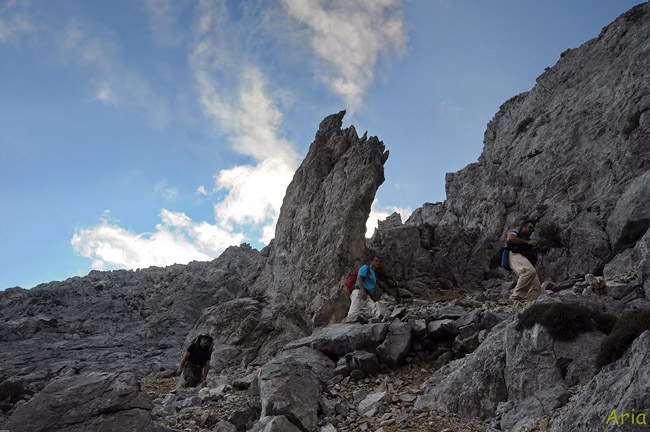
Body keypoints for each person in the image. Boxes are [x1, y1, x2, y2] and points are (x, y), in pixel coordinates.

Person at [505, 219, 542, 301]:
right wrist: (527, 242)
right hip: (514, 254)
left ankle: (530, 302)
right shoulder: (516, 231)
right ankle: (515, 297)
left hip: (523, 258)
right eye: (530, 227)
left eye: (533, 229)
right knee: (529, 271)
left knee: (536, 284)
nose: (532, 230)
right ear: (523, 227)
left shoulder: (527, 239)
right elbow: (510, 238)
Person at [345, 255, 381, 322]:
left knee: (375, 310)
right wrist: (363, 291)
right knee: (352, 314)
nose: (378, 263)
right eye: (376, 261)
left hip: (366, 295)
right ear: (371, 262)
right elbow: (359, 279)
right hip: (359, 292)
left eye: (379, 261)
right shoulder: (365, 268)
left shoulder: (372, 273)